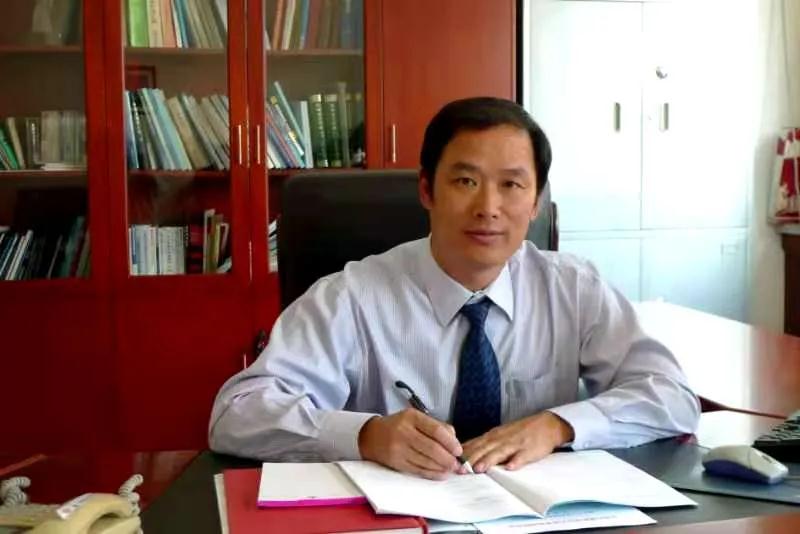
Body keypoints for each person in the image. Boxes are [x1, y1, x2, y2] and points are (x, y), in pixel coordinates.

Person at [209, 97, 700, 480]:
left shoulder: (572, 288)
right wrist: (366, 435)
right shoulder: (352, 296)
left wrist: (558, 425)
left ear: (536, 203)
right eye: (466, 181)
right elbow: (236, 414)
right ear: (427, 190)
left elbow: (672, 396)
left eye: (512, 185)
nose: (488, 208)